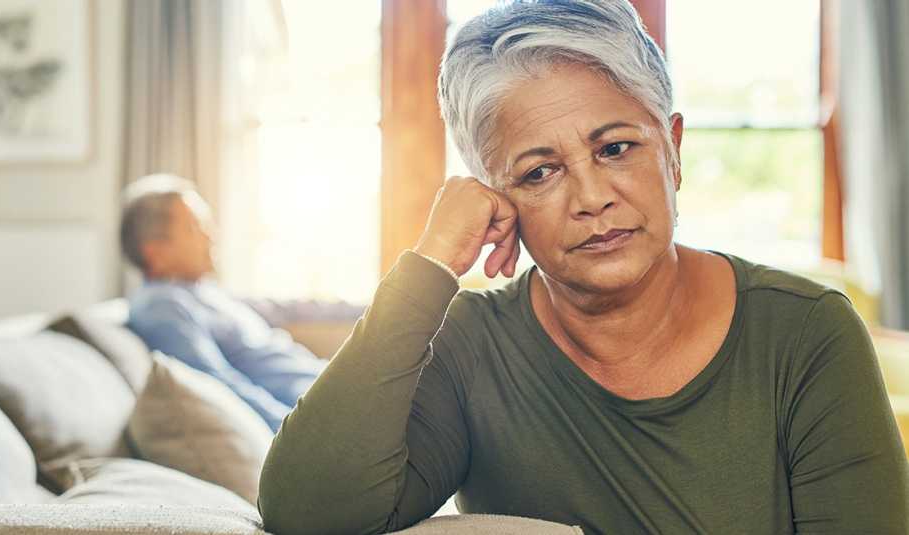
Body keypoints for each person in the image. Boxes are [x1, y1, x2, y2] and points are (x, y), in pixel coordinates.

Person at [257, 1, 909, 533]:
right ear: (495, 199)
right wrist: (429, 264)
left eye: (616, 148)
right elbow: (305, 510)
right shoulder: (472, 345)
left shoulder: (807, 333)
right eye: (539, 172)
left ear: (673, 150)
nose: (592, 198)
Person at [120, 174, 360, 432]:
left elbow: (284, 309)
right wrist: (297, 434)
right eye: (194, 227)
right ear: (155, 252)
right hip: (325, 414)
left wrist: (376, 308)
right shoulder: (161, 306)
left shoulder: (204, 291)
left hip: (334, 389)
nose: (210, 236)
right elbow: (220, 387)